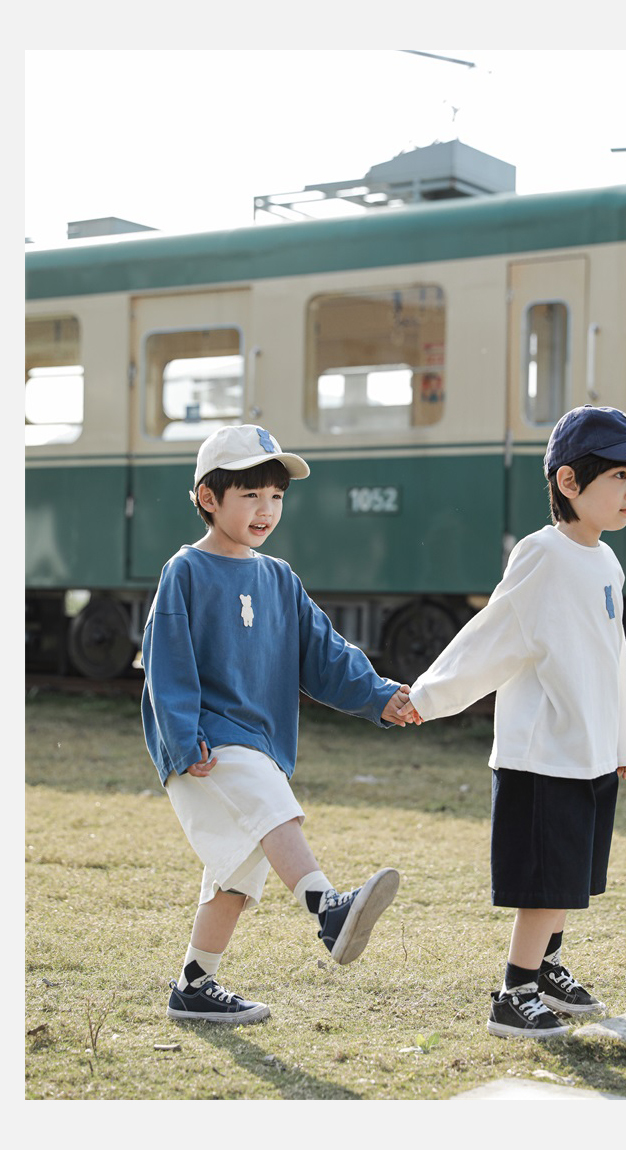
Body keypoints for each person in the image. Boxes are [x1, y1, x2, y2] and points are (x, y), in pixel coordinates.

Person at [397, 406, 626, 1038]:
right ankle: (514, 992)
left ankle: (547, 968)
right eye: (619, 476)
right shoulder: (543, 554)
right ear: (568, 482)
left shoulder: (605, 561)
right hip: (544, 753)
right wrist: (431, 696)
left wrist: (622, 739)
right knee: (547, 881)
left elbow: (613, 658)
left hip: (587, 750)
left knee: (572, 875)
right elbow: (494, 634)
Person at [141, 424, 415, 1025]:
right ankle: (329, 911)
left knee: (235, 877)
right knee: (274, 813)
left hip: (260, 746)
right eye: (250, 496)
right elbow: (167, 663)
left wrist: (379, 696)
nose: (266, 509)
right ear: (209, 498)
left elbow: (326, 654)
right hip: (206, 745)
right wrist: (184, 738)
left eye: (276, 496)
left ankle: (194, 985)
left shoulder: (278, 578)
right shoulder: (184, 571)